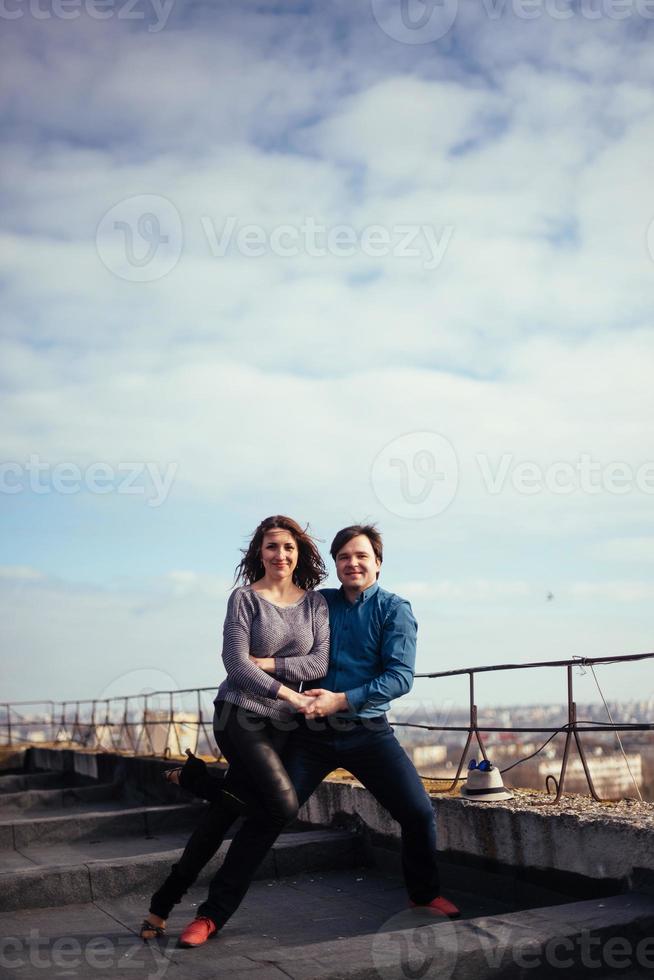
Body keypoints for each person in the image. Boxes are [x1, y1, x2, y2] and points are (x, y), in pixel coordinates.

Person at [176, 522, 459, 948]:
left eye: (362, 556)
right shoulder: (317, 603)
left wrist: (342, 699)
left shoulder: (395, 610)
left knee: (418, 813)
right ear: (335, 564)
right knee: (270, 816)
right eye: (344, 557)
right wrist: (269, 665)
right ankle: (211, 916)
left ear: (378, 564)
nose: (352, 563)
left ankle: (425, 892)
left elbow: (400, 677)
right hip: (308, 733)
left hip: (368, 732)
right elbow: (292, 651)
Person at [139, 515, 329, 946]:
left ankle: (161, 905)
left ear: (299, 553)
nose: (280, 555)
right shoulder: (244, 598)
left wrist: (269, 664)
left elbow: (317, 664)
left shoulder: (315, 604)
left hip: (279, 725)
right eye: (272, 547)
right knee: (282, 805)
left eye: (288, 548)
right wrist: (292, 695)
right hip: (237, 714)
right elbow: (235, 665)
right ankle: (200, 789)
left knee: (225, 810)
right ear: (258, 553)